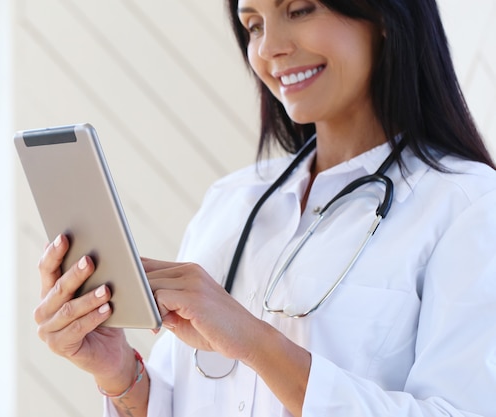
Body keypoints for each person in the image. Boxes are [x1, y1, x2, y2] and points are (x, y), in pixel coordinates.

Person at [34, 0, 496, 416]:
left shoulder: (467, 205)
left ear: (383, 17)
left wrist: (254, 341)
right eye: (253, 24)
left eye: (299, 10)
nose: (270, 47)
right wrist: (118, 374)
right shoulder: (233, 200)